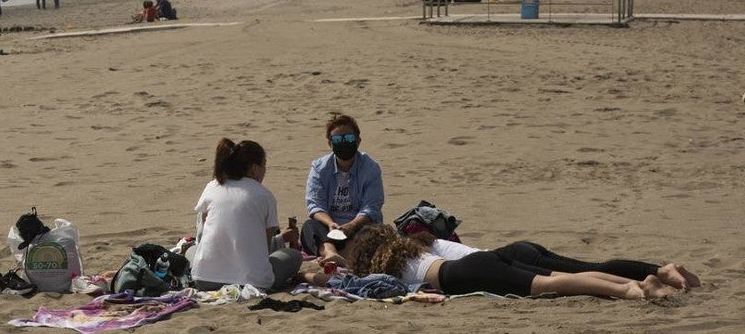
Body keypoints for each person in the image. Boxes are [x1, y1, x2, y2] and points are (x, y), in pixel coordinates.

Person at [322, 223, 685, 300]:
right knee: (566, 274)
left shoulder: (383, 267)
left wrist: (333, 259)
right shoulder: (413, 246)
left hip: (461, 275)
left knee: (555, 284)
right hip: (484, 258)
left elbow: (364, 287)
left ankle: (634, 292)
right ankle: (641, 280)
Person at [188, 138, 303, 292]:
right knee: (294, 256)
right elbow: (265, 247)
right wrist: (282, 239)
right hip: (251, 282)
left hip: (205, 280)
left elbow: (202, 237)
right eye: (264, 166)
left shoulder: (212, 186)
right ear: (255, 169)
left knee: (191, 251)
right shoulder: (264, 195)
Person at [302, 114, 384, 266]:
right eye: (338, 140)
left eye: (349, 138)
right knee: (309, 227)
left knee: (377, 230)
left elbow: (371, 207)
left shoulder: (371, 168)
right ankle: (331, 252)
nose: (344, 143)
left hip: (359, 228)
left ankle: (346, 255)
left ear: (358, 141)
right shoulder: (319, 168)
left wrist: (352, 225)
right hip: (330, 230)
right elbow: (315, 205)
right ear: (330, 143)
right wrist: (330, 223)